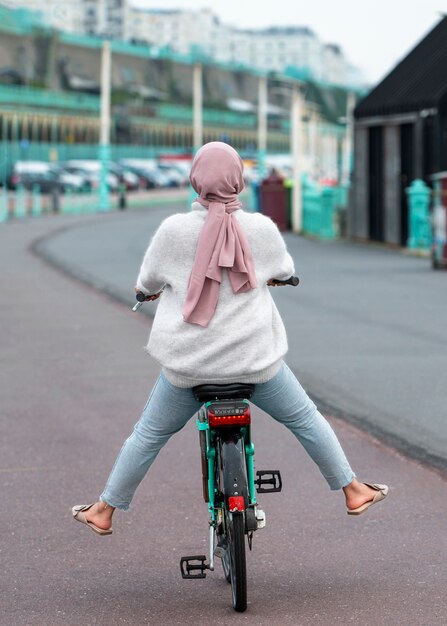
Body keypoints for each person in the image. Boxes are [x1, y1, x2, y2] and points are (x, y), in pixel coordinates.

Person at [72, 142, 388, 536]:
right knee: (306, 418)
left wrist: (147, 292)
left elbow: (148, 282)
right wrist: (274, 276)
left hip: (189, 371)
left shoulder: (173, 231)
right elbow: (285, 269)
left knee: (148, 435)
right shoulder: (259, 229)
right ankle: (352, 489)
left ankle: (104, 511)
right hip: (255, 366)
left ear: (196, 181)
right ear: (238, 179)